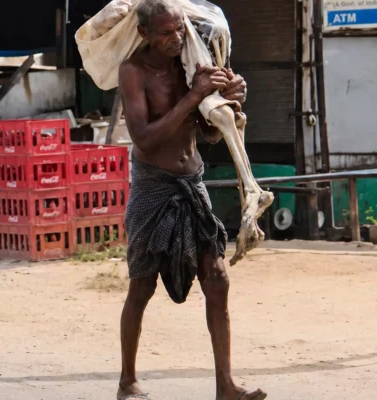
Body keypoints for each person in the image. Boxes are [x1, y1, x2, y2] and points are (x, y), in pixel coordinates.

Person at [117, 0, 267, 399]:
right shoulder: (133, 71)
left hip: (192, 182)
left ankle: (226, 386)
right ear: (145, 34)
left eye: (180, 30)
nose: (175, 39)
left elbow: (210, 133)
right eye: (166, 33)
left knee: (217, 280)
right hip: (152, 185)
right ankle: (127, 381)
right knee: (142, 286)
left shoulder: (191, 65)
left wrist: (230, 100)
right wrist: (194, 95)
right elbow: (144, 137)